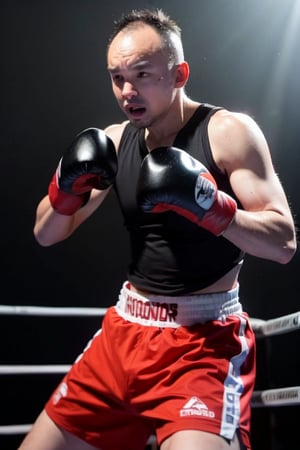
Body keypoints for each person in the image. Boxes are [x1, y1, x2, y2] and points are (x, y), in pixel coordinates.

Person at [18, 8, 297, 450]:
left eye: (143, 74)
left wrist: (210, 207)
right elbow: (46, 233)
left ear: (179, 73)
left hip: (202, 344)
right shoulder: (111, 142)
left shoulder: (227, 133)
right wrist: (64, 189)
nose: (128, 91)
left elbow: (283, 242)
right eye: (117, 78)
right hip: (125, 332)